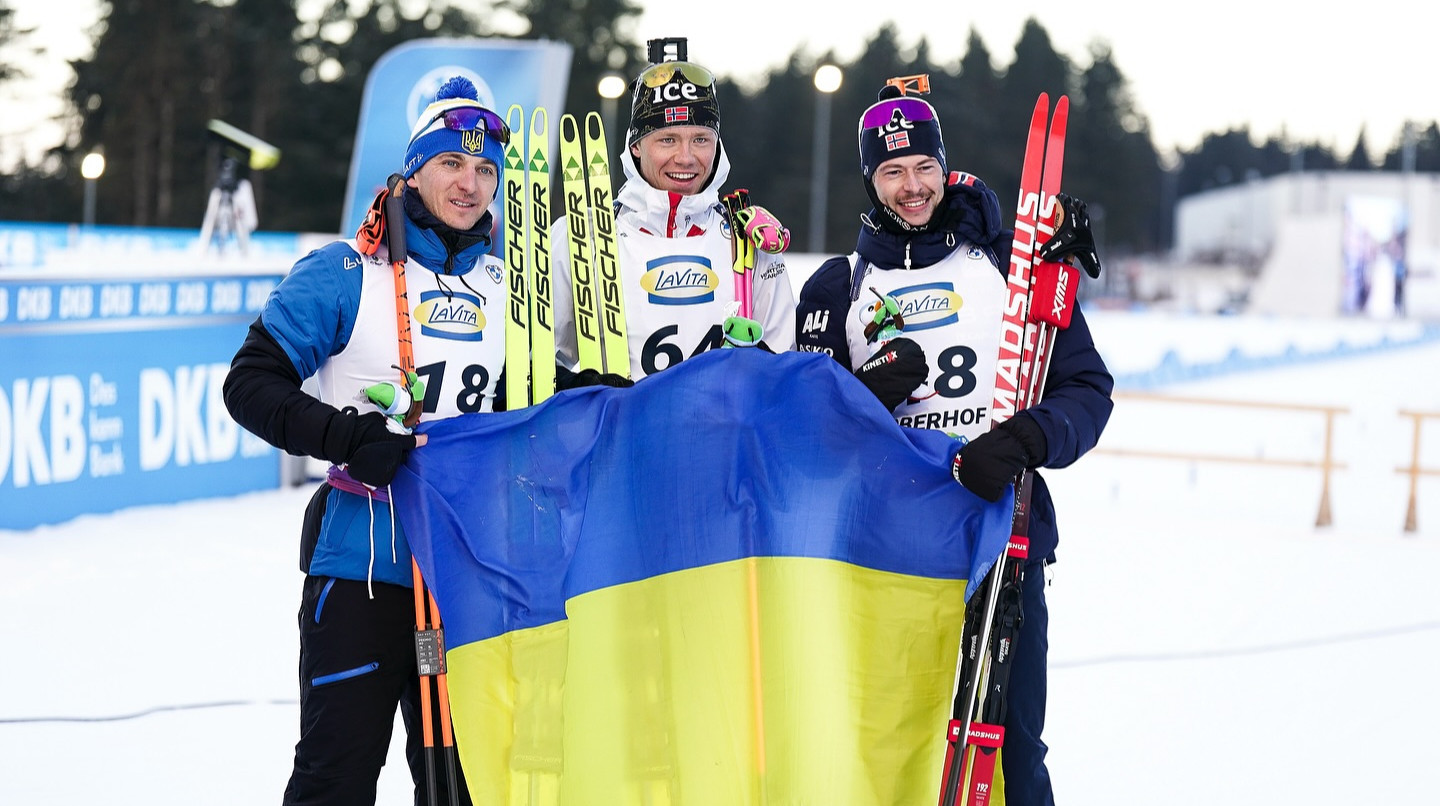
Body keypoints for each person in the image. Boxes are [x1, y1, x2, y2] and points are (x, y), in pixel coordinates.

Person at [794, 79, 1114, 806]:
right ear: (870, 180)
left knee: (1009, 745)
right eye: (892, 171)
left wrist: (1028, 436)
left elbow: (1087, 391)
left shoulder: (1011, 265)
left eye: (923, 168)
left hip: (1004, 535)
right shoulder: (838, 287)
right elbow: (804, 442)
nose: (912, 187)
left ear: (945, 166)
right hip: (883, 549)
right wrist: (860, 398)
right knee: (882, 734)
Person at [221, 75, 511, 806]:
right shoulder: (345, 270)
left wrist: (584, 388)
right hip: (359, 574)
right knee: (335, 778)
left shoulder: (510, 284)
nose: (469, 184)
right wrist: (346, 436)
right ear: (414, 170)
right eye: (451, 163)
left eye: (485, 170)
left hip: (467, 577)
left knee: (460, 787)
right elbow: (250, 384)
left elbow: (523, 397)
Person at [551, 38, 796, 383]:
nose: (686, 158)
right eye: (668, 139)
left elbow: (785, 368)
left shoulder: (748, 240)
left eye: (701, 139)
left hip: (723, 435)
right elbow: (535, 362)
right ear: (636, 145)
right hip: (624, 435)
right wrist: (576, 385)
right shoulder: (581, 235)